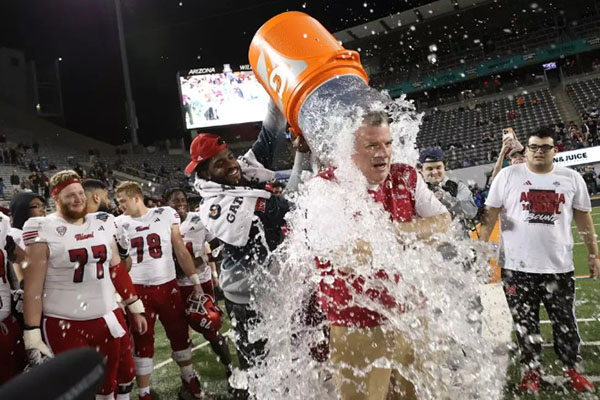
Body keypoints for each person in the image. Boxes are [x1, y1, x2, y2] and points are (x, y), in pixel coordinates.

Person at [314, 111, 451, 400]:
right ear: (350, 150)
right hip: (356, 322)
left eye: (388, 144)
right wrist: (408, 234)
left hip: (409, 311)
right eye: (373, 146)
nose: (384, 153)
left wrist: (393, 234)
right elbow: (345, 254)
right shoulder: (325, 188)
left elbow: (443, 222)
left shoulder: (406, 175)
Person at [480, 127, 598, 394]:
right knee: (525, 324)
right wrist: (479, 251)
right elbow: (489, 216)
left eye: (545, 147)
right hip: (516, 269)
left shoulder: (571, 178)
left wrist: (593, 253)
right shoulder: (508, 177)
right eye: (534, 147)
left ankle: (572, 369)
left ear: (555, 150)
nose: (538, 152)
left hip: (558, 268)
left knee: (565, 322)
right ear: (527, 149)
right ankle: (531, 371)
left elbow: (583, 218)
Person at [21, 170, 148, 400]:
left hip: (105, 319)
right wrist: (32, 332)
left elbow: (116, 269)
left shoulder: (102, 222)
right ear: (56, 199)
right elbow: (33, 287)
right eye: (70, 195)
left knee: (107, 386)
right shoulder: (42, 227)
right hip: (64, 324)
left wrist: (134, 304)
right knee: (76, 390)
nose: (78, 198)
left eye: (80, 193)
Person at [114, 181, 209, 400]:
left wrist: (195, 281)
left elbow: (180, 250)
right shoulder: (118, 223)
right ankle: (144, 393)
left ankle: (189, 379)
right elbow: (120, 265)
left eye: (123, 201)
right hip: (137, 291)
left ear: (136, 198)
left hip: (168, 286)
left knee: (179, 334)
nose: (120, 207)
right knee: (143, 342)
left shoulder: (165, 214)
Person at [164, 188, 236, 390]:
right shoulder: (162, 223)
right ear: (166, 203)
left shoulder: (200, 219)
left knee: (211, 329)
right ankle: (188, 379)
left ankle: (230, 368)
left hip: (200, 285)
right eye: (174, 200)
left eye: (182, 200)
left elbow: (220, 248)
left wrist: (203, 259)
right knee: (178, 333)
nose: (180, 203)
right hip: (175, 285)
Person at [82, 178, 136, 400]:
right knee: (117, 370)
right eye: (105, 196)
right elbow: (122, 268)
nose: (108, 200)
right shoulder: (106, 220)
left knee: (112, 371)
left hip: (93, 306)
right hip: (103, 307)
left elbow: (122, 266)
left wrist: (122, 252)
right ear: (96, 196)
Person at [419, 147, 478, 224]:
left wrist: (446, 198)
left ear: (444, 167)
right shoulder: (417, 191)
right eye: (429, 169)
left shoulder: (457, 186)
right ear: (422, 170)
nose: (434, 172)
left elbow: (471, 211)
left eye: (438, 167)